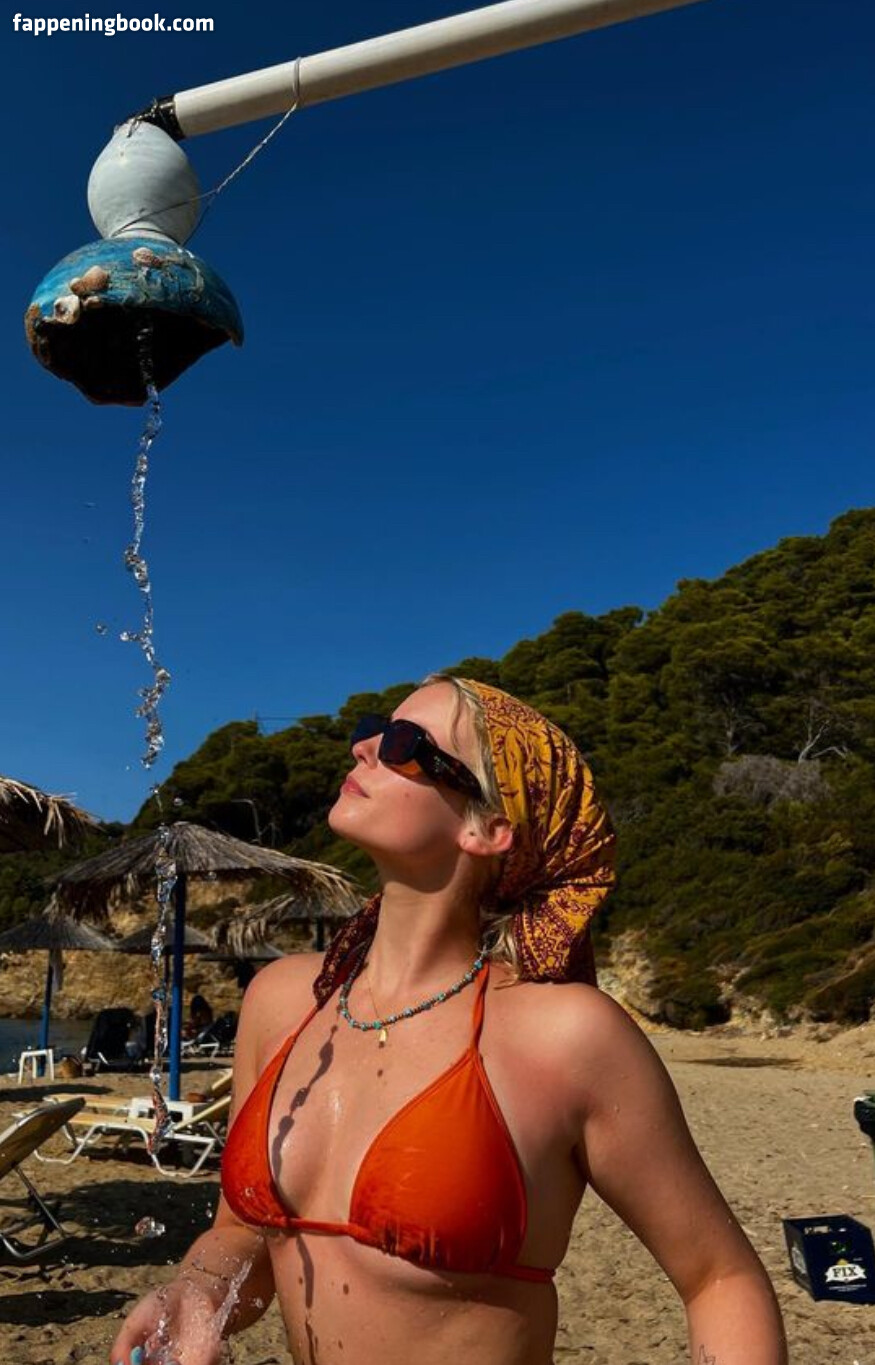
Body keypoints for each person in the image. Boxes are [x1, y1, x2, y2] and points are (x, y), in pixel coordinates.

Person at [110, 676, 787, 1365]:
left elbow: (718, 1278)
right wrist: (195, 1292)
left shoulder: (565, 1037)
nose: (365, 746)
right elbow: (243, 1235)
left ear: (487, 828)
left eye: (407, 745)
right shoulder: (283, 1001)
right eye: (374, 728)